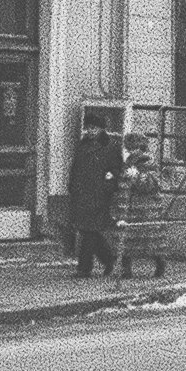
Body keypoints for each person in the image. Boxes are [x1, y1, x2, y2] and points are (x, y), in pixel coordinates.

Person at [67, 115, 123, 278]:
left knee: (89, 231)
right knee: (88, 231)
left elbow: (116, 170)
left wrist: (108, 186)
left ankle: (84, 268)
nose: (91, 131)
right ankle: (108, 259)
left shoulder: (110, 147)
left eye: (94, 128)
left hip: (99, 195)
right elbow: (75, 168)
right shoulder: (82, 146)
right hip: (82, 194)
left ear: (101, 129)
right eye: (89, 128)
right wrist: (72, 186)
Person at [114, 132, 168, 279]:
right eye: (129, 148)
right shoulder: (128, 163)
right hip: (130, 208)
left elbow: (153, 185)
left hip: (146, 209)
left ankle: (160, 265)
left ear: (141, 147)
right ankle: (126, 270)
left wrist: (136, 176)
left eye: (133, 148)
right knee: (126, 240)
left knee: (151, 241)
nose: (130, 151)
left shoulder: (148, 162)